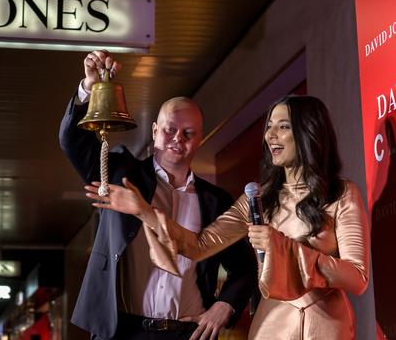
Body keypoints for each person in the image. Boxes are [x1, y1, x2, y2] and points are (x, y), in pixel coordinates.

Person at [85, 95, 370, 339]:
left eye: (283, 127)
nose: (270, 135)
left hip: (325, 324)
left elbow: (357, 279)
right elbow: (197, 246)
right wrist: (144, 211)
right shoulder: (257, 198)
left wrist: (282, 246)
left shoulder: (342, 194)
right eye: (269, 127)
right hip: (270, 325)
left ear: (309, 133)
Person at [60, 50, 258, 340]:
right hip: (123, 332)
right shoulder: (118, 174)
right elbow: (72, 141)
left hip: (188, 333)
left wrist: (224, 305)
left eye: (189, 133)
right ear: (154, 132)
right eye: (170, 130)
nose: (178, 139)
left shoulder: (216, 201)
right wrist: (88, 88)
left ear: (199, 140)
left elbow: (244, 268)